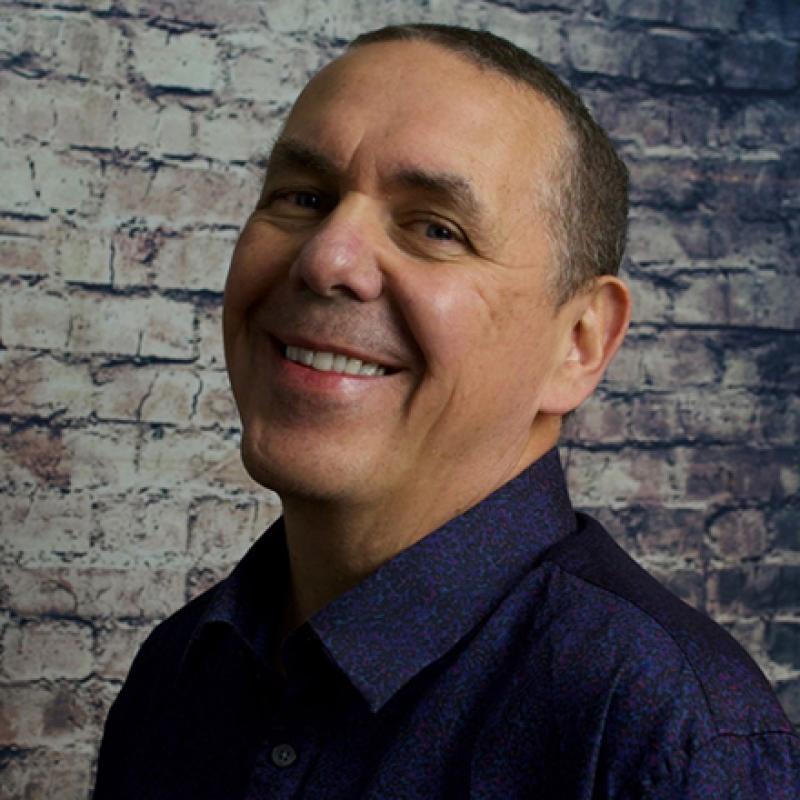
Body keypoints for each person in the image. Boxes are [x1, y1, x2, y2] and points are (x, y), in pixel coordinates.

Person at [93, 24, 800, 799]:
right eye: (304, 198)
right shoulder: (177, 671)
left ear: (579, 343)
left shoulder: (666, 738)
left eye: (435, 228)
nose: (326, 258)